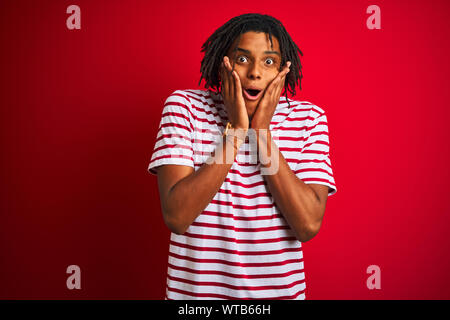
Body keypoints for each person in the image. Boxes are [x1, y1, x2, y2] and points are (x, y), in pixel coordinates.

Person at [147, 13, 337, 300]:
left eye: (269, 61)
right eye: (243, 59)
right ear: (223, 63)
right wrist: (236, 132)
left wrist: (261, 132)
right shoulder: (184, 107)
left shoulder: (308, 118)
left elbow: (307, 225)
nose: (255, 73)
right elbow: (177, 215)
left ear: (284, 71)